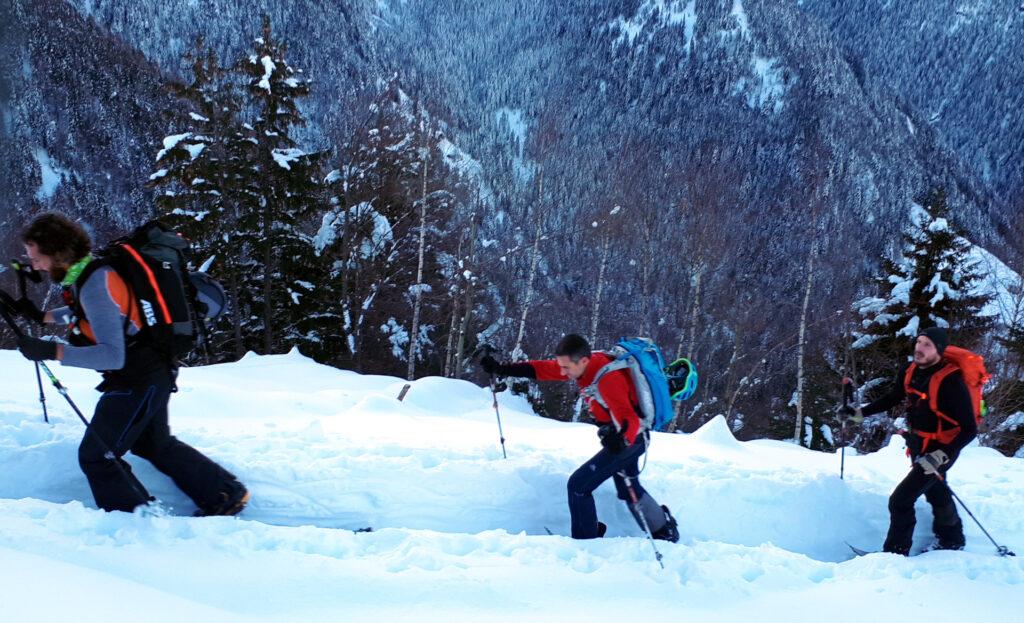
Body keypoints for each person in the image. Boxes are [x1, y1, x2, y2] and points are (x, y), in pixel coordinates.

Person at [3, 213, 248, 516]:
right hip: (150, 370)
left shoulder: (95, 282)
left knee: (97, 455)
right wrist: (42, 317)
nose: (34, 265)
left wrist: (52, 350)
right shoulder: (89, 274)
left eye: (37, 258)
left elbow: (111, 355)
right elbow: (90, 311)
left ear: (58, 253)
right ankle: (225, 494)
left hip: (138, 378)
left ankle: (139, 521)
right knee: (153, 443)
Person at [481, 334, 678, 542]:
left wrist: (621, 441)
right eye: (561, 366)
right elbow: (545, 369)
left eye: (565, 367)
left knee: (578, 486)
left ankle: (586, 541)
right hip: (623, 438)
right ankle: (664, 529)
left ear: (583, 360)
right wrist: (502, 369)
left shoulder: (608, 380)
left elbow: (629, 418)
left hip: (629, 441)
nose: (562, 372)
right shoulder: (584, 365)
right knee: (628, 490)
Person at [849, 327, 976, 554]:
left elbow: (969, 430)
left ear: (938, 350)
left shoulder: (952, 382)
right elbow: (892, 398)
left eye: (927, 344)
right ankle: (952, 539)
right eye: (919, 342)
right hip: (919, 443)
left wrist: (940, 456)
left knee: (900, 500)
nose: (919, 348)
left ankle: (895, 553)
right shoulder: (910, 370)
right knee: (935, 489)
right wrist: (860, 413)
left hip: (943, 448)